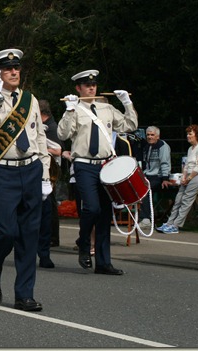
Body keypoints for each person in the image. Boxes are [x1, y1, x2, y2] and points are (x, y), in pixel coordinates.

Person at [0, 48, 51, 311]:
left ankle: (24, 294)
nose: (14, 72)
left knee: (29, 236)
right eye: (7, 68)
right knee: (5, 232)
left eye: (16, 67)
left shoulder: (30, 100)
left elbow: (39, 137)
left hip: (31, 170)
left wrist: (45, 174)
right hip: (3, 172)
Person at [57, 69, 137, 276]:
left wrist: (126, 103)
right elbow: (63, 134)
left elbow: (130, 125)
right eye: (86, 85)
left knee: (103, 214)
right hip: (84, 164)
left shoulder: (107, 108)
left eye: (93, 85)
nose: (91, 87)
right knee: (91, 208)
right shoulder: (74, 108)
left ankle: (103, 262)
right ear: (78, 88)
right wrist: (69, 110)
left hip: (105, 164)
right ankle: (84, 244)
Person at [156, 125, 198, 234]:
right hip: (188, 175)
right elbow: (187, 165)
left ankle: (176, 225)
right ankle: (169, 223)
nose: (188, 136)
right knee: (178, 199)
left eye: (190, 134)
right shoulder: (190, 149)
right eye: (187, 134)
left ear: (196, 135)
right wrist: (183, 177)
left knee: (186, 199)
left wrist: (188, 178)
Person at [37, 99, 62, 268]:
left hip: (46, 176)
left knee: (46, 215)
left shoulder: (49, 128)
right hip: (31, 175)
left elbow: (58, 149)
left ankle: (45, 252)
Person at [139, 126, 172, 231]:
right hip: (147, 175)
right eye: (148, 134)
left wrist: (165, 178)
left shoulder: (162, 146)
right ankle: (142, 218)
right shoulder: (147, 146)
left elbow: (165, 163)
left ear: (157, 136)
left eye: (152, 135)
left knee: (145, 189)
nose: (149, 137)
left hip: (158, 176)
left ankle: (146, 220)